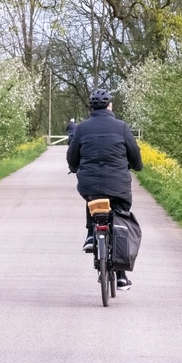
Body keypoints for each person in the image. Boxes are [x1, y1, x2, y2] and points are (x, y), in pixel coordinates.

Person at [66, 88, 142, 287]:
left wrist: (74, 167)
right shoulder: (122, 127)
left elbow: (72, 157)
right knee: (121, 221)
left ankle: (91, 234)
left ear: (91, 107)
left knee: (93, 199)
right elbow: (135, 156)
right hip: (118, 185)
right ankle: (122, 276)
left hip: (90, 185)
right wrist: (137, 166)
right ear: (110, 106)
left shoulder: (81, 128)